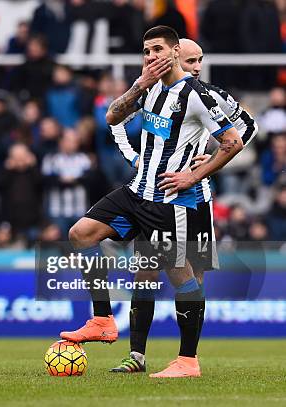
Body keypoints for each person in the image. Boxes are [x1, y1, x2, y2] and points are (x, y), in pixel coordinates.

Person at [58, 26, 244, 378]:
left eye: (157, 49)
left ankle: (188, 361)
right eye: (146, 51)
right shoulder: (150, 87)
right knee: (81, 234)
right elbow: (112, 117)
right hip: (135, 192)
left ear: (174, 52)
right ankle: (102, 319)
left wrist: (193, 175)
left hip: (168, 200)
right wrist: (138, 85)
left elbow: (233, 141)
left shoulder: (197, 96)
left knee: (182, 276)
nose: (151, 57)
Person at [108, 38, 258, 374]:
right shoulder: (158, 91)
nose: (197, 66)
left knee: (194, 274)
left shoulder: (209, 95)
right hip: (159, 195)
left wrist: (213, 156)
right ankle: (137, 355)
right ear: (176, 57)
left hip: (196, 197)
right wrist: (135, 158)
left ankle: (187, 356)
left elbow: (248, 127)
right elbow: (116, 119)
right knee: (145, 269)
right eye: (191, 60)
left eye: (200, 59)